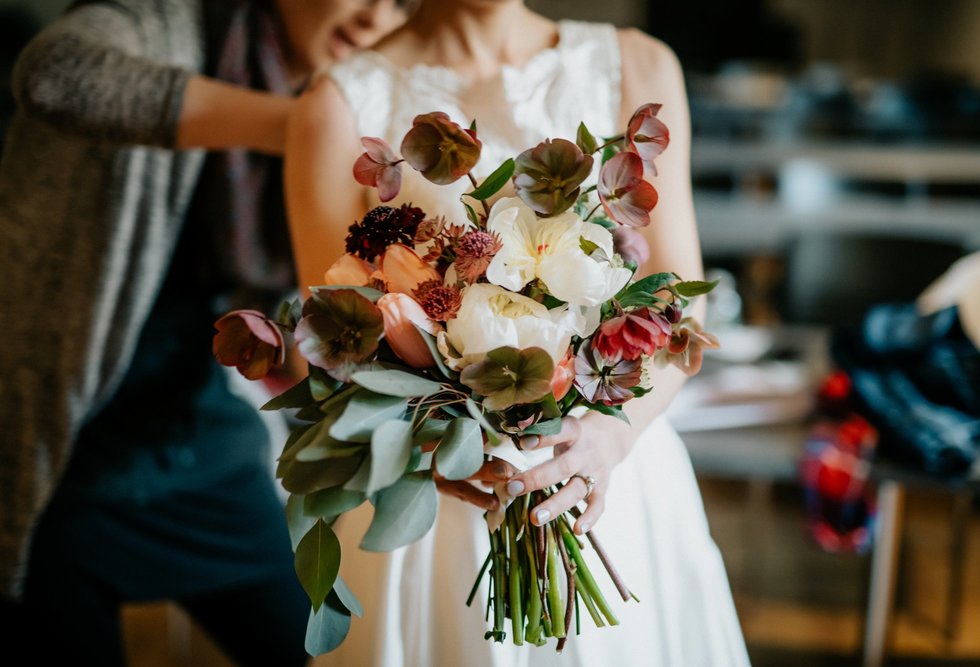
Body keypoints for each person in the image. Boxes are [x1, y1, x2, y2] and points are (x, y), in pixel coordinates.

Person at [283, 1, 752, 665]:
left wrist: (612, 435)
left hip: (614, 466)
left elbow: (684, 313)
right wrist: (435, 439)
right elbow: (333, 346)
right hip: (442, 502)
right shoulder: (336, 104)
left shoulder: (639, 66)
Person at [0, 0, 406, 664]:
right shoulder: (169, 22)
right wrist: (304, 129)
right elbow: (53, 74)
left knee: (314, 650)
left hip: (196, 442)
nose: (374, 14)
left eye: (402, 2)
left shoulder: (350, 105)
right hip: (50, 452)